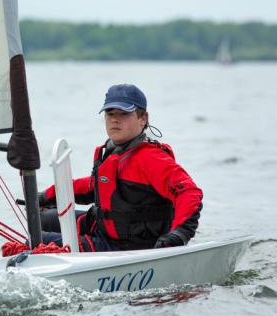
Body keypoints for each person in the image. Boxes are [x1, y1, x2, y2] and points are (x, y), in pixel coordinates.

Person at [38, 84, 203, 251]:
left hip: (126, 247)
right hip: (104, 231)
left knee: (38, 240)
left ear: (143, 119)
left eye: (124, 113)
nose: (114, 120)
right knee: (42, 219)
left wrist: (180, 233)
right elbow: (94, 186)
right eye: (110, 114)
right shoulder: (112, 152)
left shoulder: (151, 158)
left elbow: (189, 192)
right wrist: (45, 197)